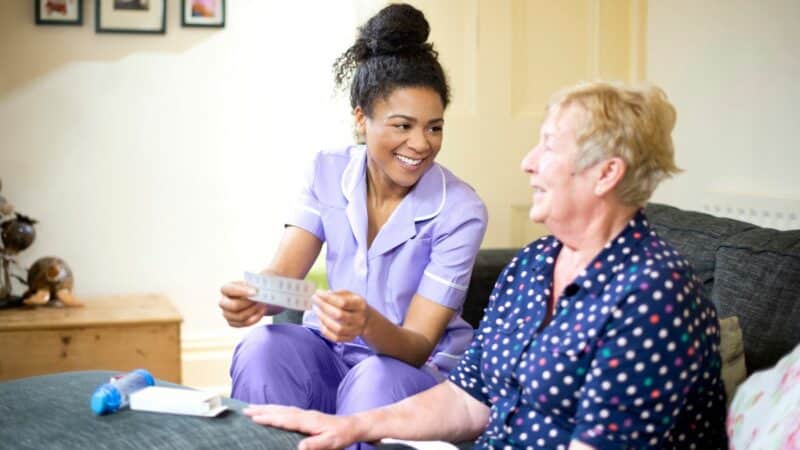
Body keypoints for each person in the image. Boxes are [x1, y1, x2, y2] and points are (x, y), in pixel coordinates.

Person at [243, 81, 730, 450]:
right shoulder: (533, 267)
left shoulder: (655, 294)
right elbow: (466, 398)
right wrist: (352, 427)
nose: (528, 162)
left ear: (607, 173)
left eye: (549, 146)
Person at [218, 1, 487, 428]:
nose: (421, 143)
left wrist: (366, 322)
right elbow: (284, 275)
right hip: (332, 353)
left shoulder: (461, 211)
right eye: (403, 125)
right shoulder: (327, 170)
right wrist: (255, 297)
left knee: (374, 378)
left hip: (409, 373)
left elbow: (417, 345)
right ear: (361, 119)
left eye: (434, 127)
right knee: (264, 347)